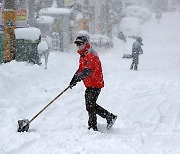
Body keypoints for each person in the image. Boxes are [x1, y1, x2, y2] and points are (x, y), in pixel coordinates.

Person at [69, 35, 117, 131]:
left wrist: (79, 77)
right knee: (91, 105)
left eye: (80, 44)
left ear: (85, 44)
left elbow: (88, 71)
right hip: (90, 84)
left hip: (95, 83)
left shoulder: (91, 54)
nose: (78, 46)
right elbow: (81, 69)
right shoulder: (83, 55)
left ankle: (93, 127)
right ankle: (109, 117)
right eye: (77, 44)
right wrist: (74, 79)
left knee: (90, 106)